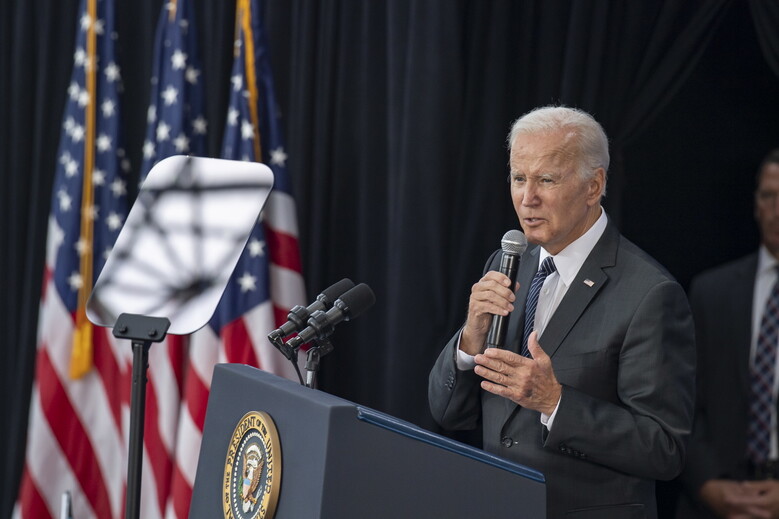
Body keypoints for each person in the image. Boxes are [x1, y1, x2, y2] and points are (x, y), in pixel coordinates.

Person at [428, 105, 696, 519]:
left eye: (546, 180)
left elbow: (664, 449)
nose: (527, 198)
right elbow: (448, 412)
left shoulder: (650, 293)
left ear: (594, 186)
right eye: (519, 178)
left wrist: (555, 402)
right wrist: (470, 339)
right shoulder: (505, 264)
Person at [677, 149, 779, 519]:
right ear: (756, 204)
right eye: (769, 196)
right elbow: (681, 398)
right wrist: (706, 483)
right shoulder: (711, 291)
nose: (777, 210)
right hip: (713, 500)